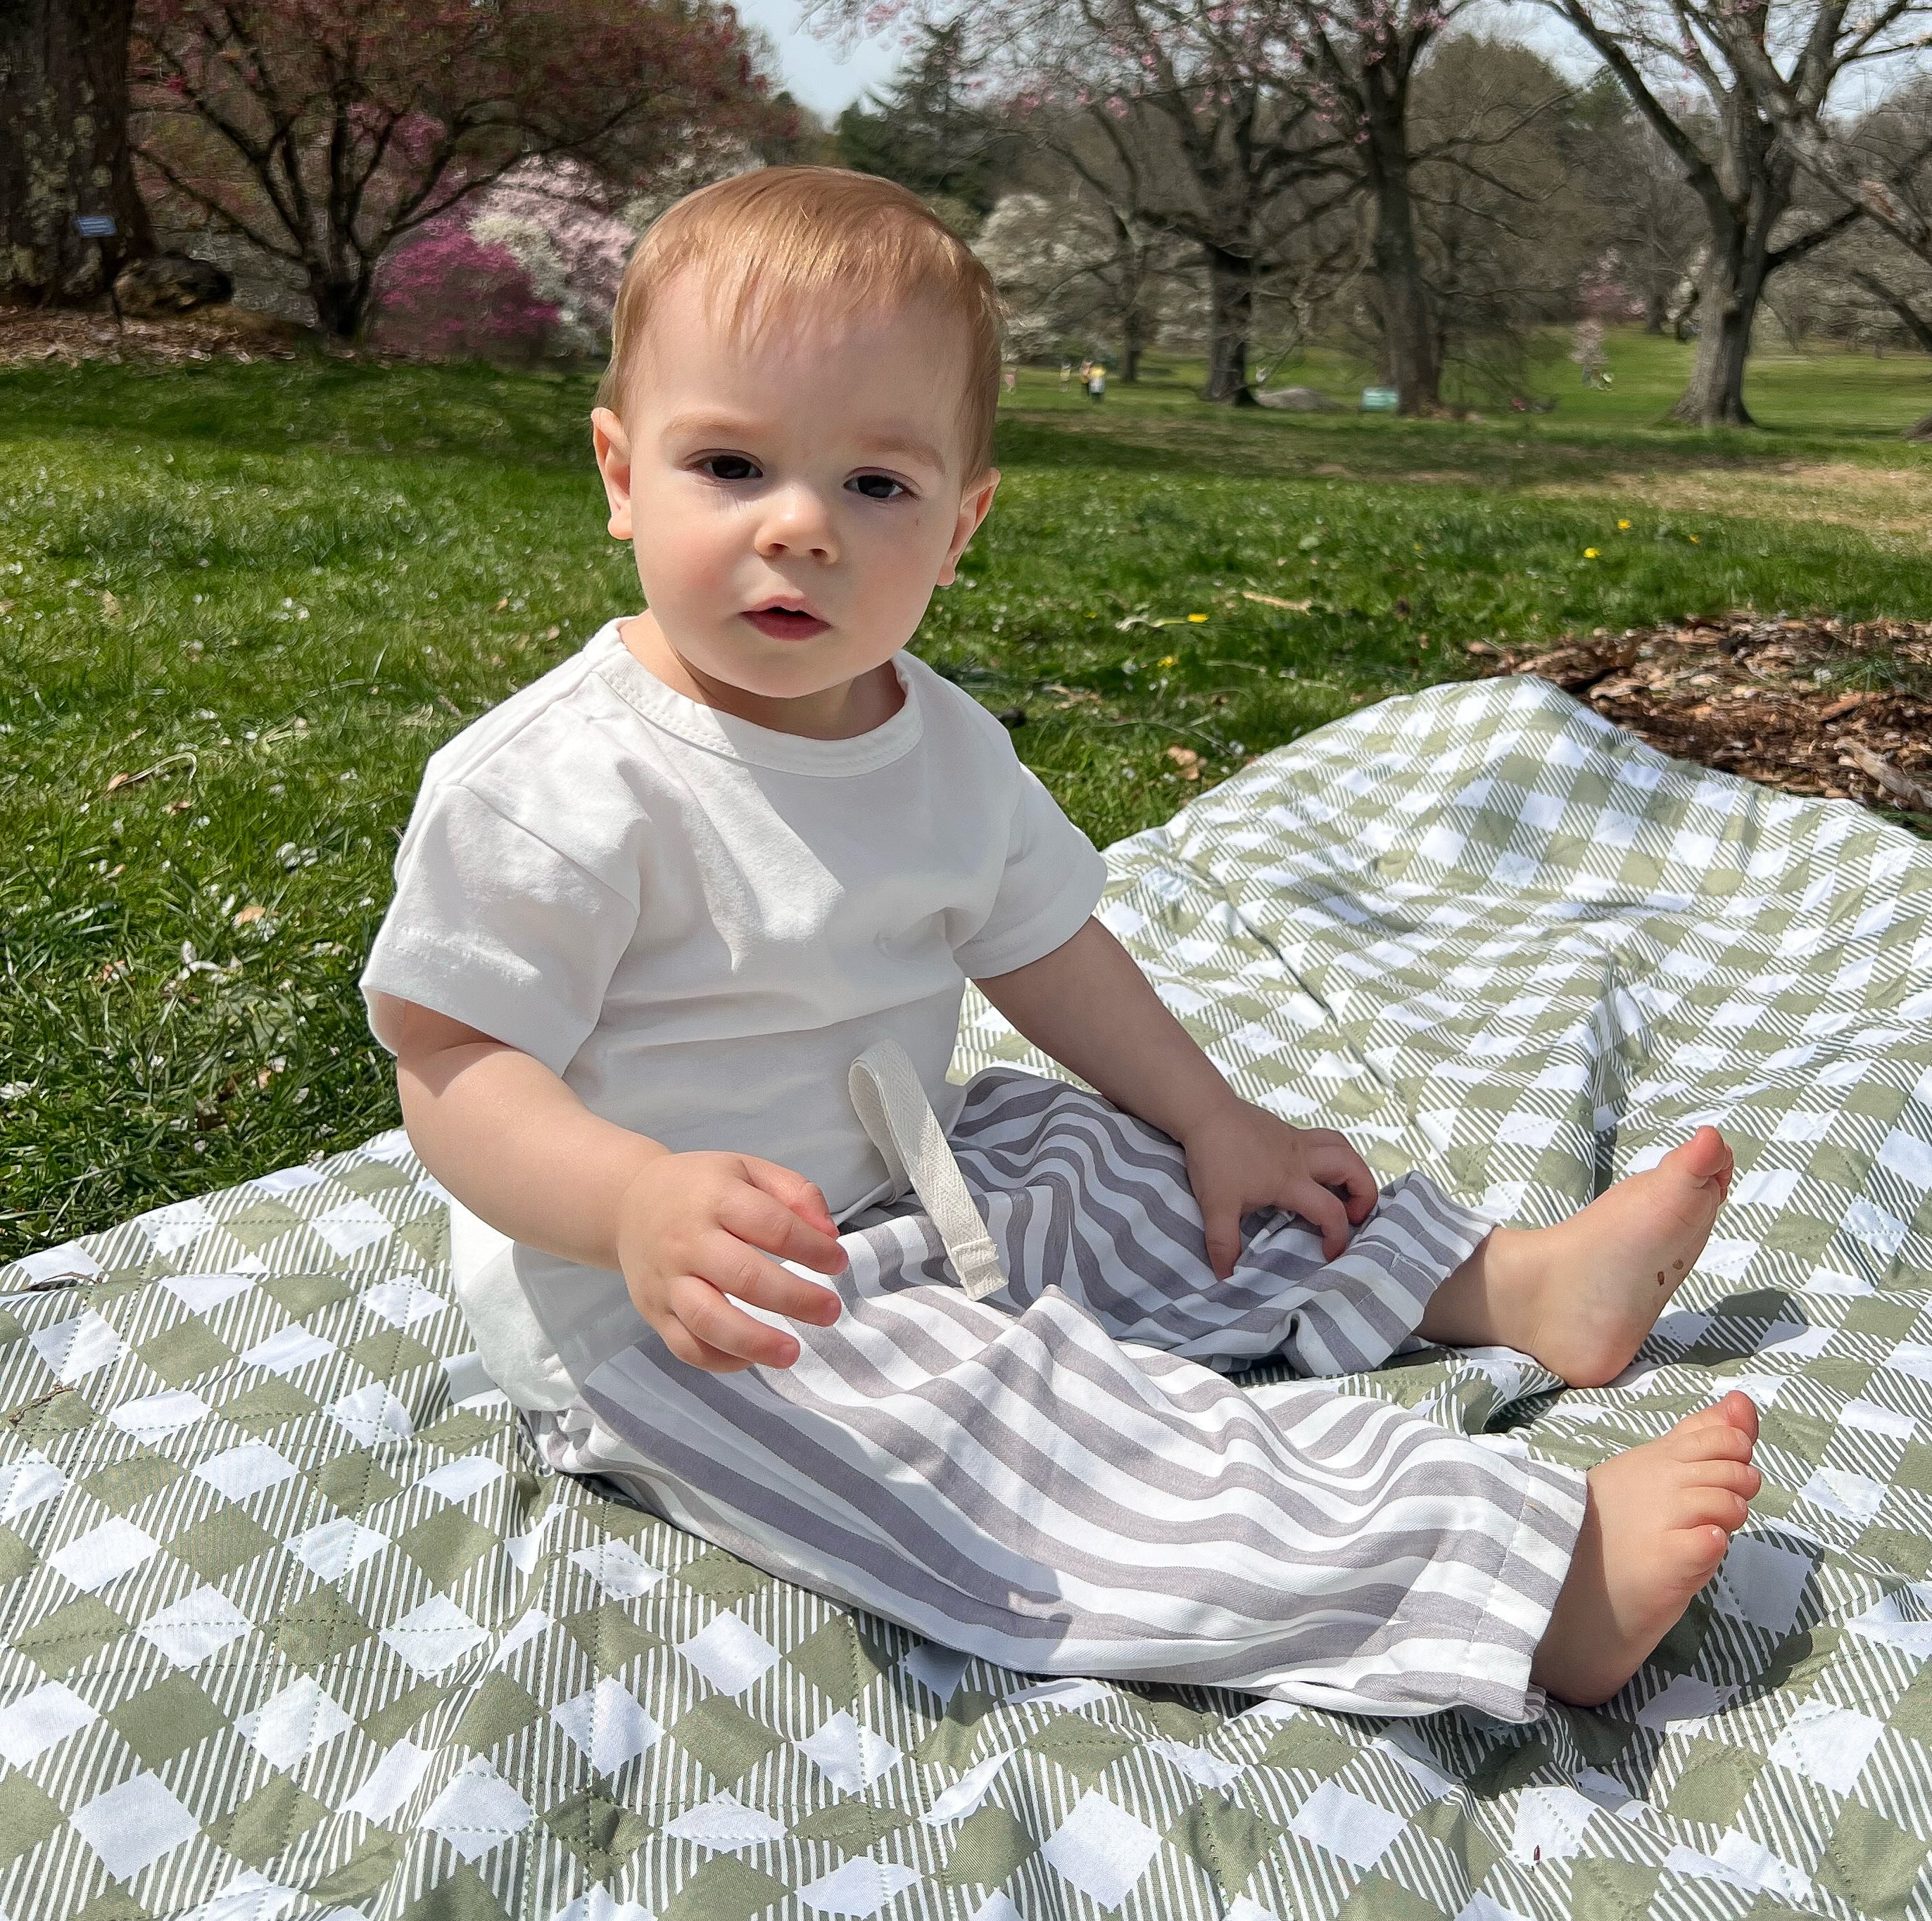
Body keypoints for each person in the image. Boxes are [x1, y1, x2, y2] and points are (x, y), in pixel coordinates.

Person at [363, 167, 1758, 1722]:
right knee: (1013, 1435)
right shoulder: (559, 787)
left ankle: (1503, 1285)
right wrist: (627, 1201)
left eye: (875, 487)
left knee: (1109, 1161)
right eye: (731, 463)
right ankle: (1510, 1581)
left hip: (907, 1168)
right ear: (622, 474)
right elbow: (454, 1063)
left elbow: (1046, 952)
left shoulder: (939, 742)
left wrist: (1215, 1117)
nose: (801, 528)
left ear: (961, 523)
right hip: (664, 1301)